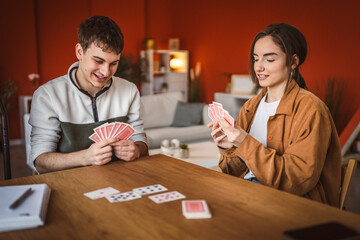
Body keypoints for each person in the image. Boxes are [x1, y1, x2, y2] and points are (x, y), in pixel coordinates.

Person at [209, 23, 341, 207]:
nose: (259, 67)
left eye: (269, 60)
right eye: (256, 59)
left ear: (293, 61)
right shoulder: (250, 106)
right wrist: (229, 148)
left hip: (295, 204)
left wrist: (245, 143)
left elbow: (297, 180)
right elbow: (233, 172)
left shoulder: (311, 109)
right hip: (249, 193)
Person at [28, 15, 148, 174]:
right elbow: (40, 161)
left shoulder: (129, 90)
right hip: (66, 183)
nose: (106, 72)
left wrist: (137, 150)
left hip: (117, 179)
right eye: (98, 61)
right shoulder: (47, 95)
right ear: (79, 51)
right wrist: (86, 157)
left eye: (114, 63)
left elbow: (141, 143)